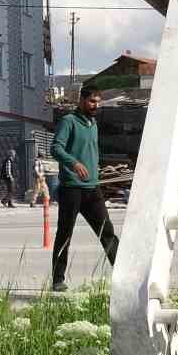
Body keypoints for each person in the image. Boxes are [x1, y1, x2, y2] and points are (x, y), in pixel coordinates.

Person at [50, 87, 119, 291]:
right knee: (65, 233)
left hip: (92, 188)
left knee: (107, 231)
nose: (95, 105)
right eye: (91, 101)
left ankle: (124, 272)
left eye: (98, 102)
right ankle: (58, 280)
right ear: (81, 100)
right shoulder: (68, 121)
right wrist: (74, 163)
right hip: (71, 189)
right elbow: (56, 148)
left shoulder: (93, 124)